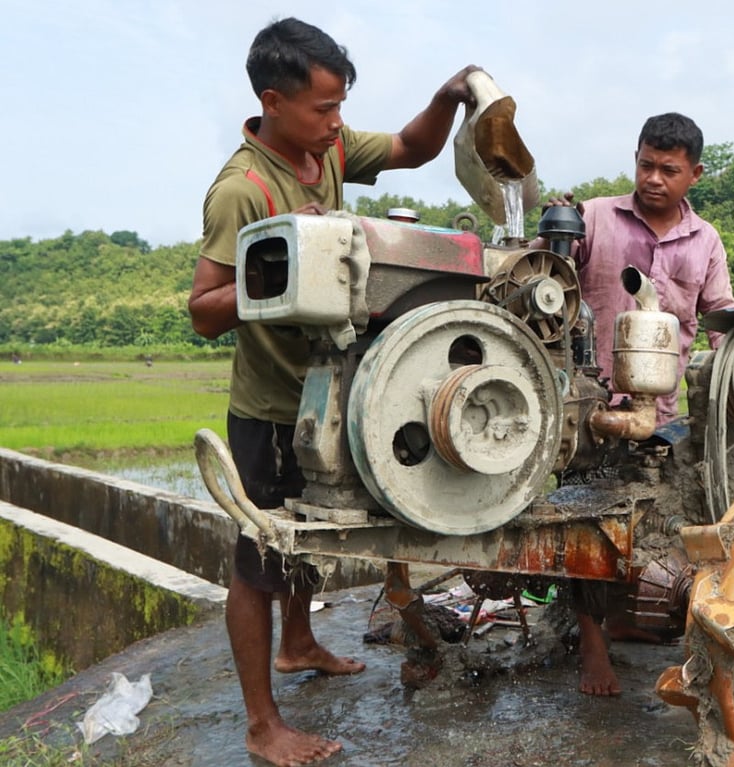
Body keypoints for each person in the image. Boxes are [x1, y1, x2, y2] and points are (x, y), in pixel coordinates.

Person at [188, 17, 479, 767]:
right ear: (272, 101)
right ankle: (262, 725)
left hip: (333, 391)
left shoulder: (332, 148)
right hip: (270, 405)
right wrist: (292, 253)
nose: (337, 122)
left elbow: (414, 148)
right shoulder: (241, 191)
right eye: (323, 108)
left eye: (341, 105)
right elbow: (203, 309)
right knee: (259, 560)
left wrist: (449, 97)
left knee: (311, 532)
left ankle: (301, 642)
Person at [546, 112, 734, 696]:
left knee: (653, 524)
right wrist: (557, 232)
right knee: (583, 527)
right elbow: (543, 282)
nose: (654, 178)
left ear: (695, 174)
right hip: (586, 404)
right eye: (645, 164)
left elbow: (718, 317)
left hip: (662, 413)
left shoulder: (704, 240)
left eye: (669, 170)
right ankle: (592, 649)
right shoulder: (597, 216)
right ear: (635, 159)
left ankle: (628, 616)